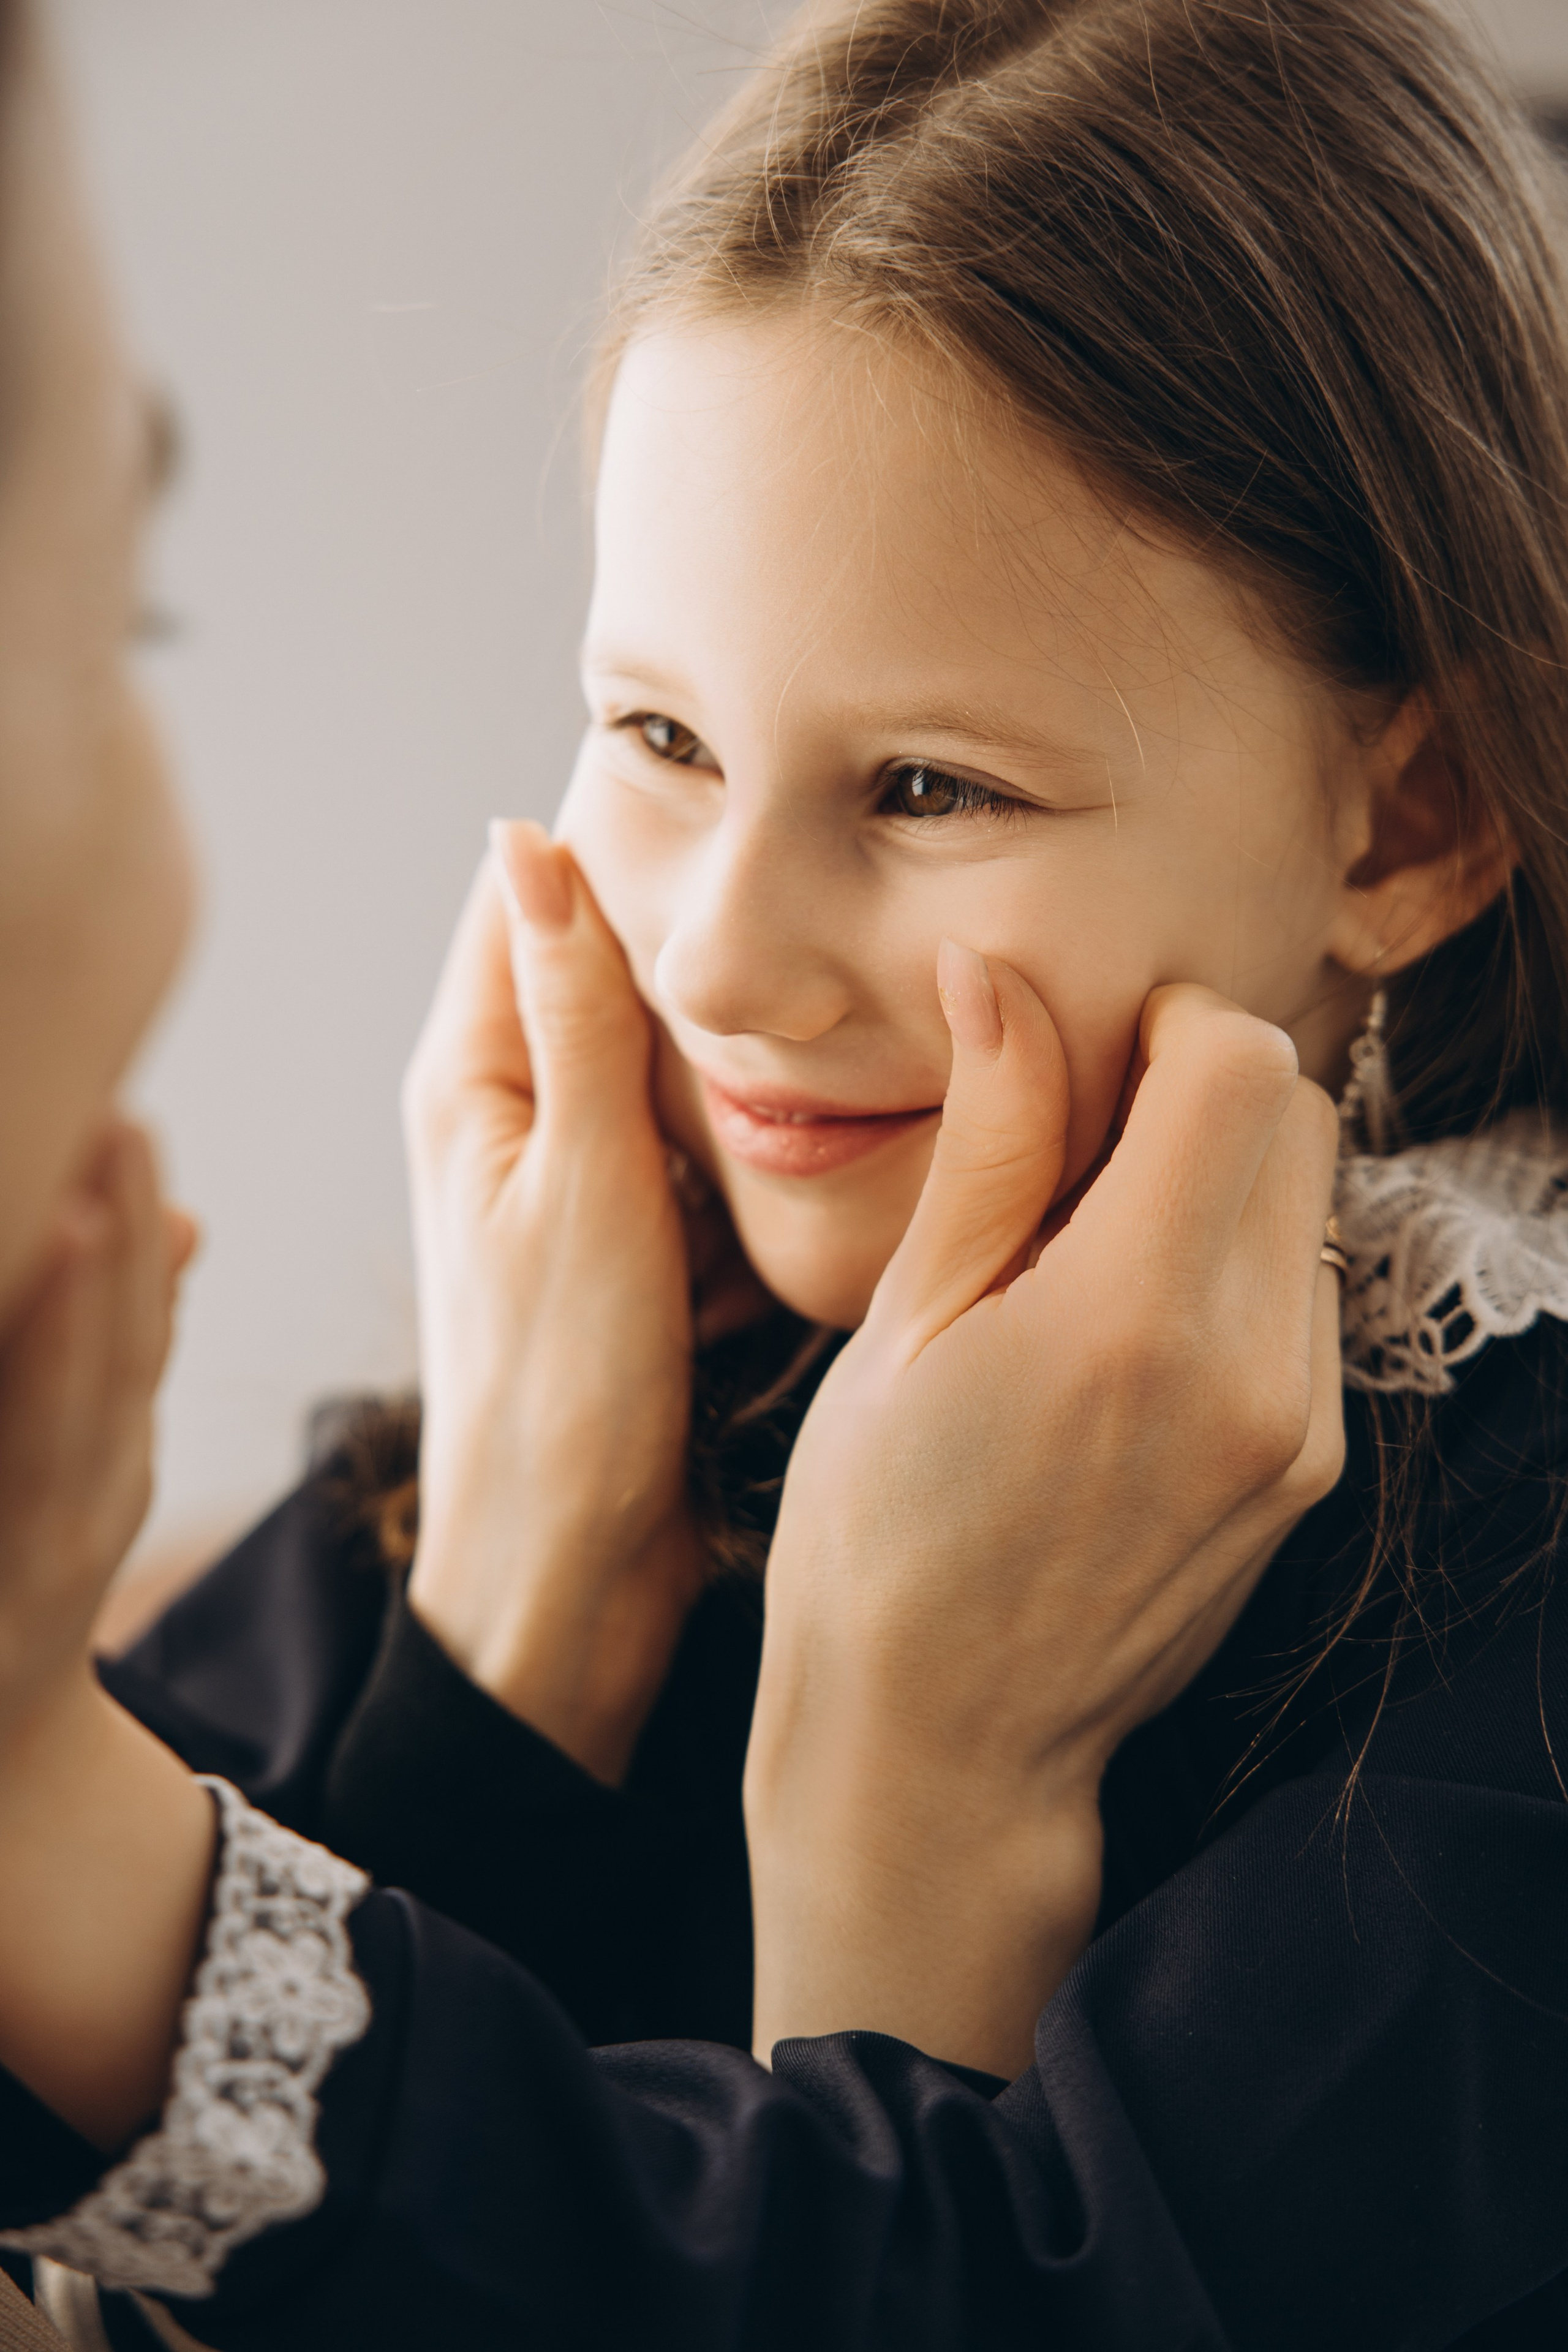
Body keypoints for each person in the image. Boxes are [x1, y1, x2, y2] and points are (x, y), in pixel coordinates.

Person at [0, 0, 1566, 2343]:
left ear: (1408, 819)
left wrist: (913, 1814)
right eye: (657, 732)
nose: (721, 952)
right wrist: (515, 1628)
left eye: (930, 787)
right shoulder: (581, 1405)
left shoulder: (1503, 1665)